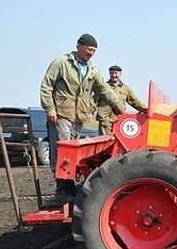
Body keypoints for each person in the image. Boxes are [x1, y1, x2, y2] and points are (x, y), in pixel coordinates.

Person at [40, 33, 125, 205]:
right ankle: (62, 191)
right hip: (61, 113)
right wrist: (50, 108)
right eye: (89, 50)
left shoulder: (92, 69)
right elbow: (46, 86)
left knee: (73, 154)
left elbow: (105, 90)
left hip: (78, 117)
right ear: (79, 46)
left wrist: (121, 109)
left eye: (94, 51)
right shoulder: (62, 63)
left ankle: (70, 188)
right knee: (63, 152)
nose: (91, 53)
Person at [96, 65, 146, 135]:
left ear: (120, 74)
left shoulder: (125, 89)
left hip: (119, 120)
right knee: (104, 142)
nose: (114, 75)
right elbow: (94, 100)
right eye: (112, 73)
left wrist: (146, 109)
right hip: (105, 120)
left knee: (118, 142)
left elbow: (135, 101)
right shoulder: (103, 87)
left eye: (116, 73)